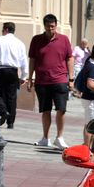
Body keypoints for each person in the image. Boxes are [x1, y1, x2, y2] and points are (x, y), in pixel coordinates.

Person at [27, 13, 74, 149]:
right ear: (44, 26)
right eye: (48, 27)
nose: (50, 30)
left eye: (53, 27)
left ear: (56, 26)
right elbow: (32, 60)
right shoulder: (36, 40)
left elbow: (70, 58)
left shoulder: (64, 39)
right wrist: (30, 78)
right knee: (45, 110)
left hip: (59, 79)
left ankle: (59, 137)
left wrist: (70, 79)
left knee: (61, 109)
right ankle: (45, 138)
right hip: (42, 81)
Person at [0, 22, 28, 129]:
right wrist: (23, 76)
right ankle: (10, 122)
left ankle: (3, 111)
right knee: (11, 96)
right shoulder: (19, 43)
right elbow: (24, 61)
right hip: (13, 71)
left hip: (0, 70)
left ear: (5, 29)